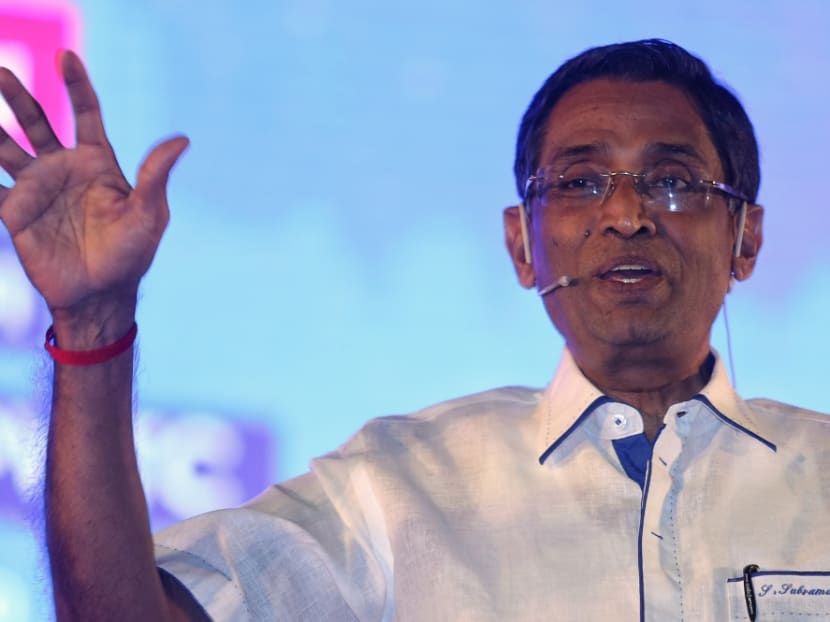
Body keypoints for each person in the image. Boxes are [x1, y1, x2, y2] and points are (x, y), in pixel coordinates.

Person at [1, 37, 828, 622]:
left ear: (746, 239)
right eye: (578, 181)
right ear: (521, 245)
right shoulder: (398, 488)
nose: (624, 214)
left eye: (672, 181)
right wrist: (93, 322)